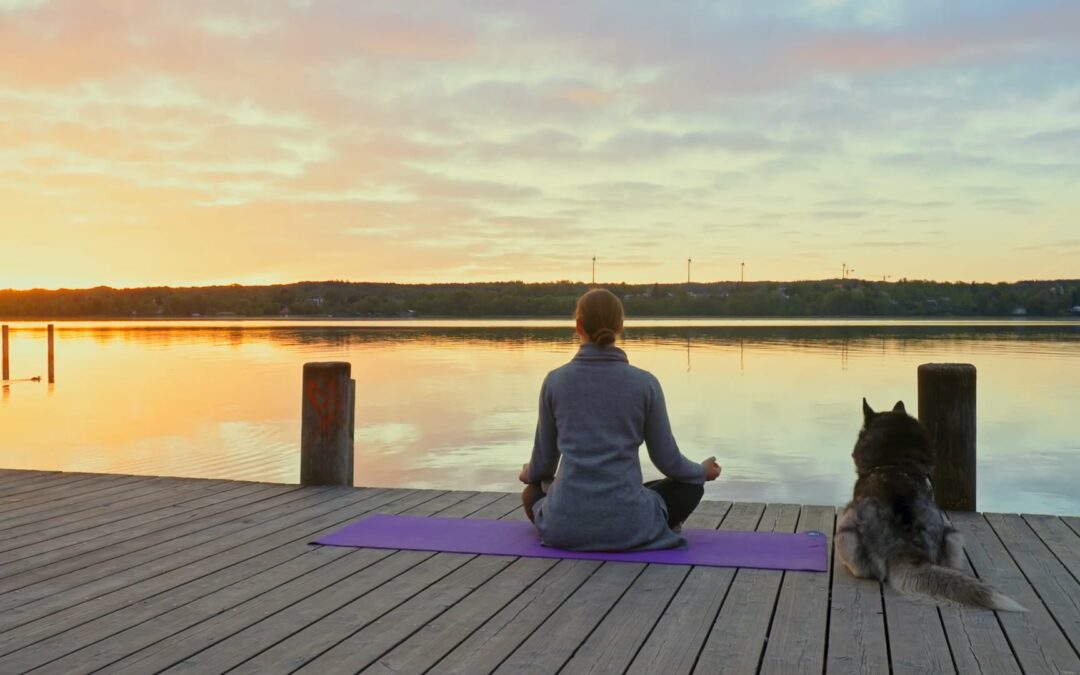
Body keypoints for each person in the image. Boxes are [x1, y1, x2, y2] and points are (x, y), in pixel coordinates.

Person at [519, 288, 722, 551]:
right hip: (632, 524)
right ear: (620, 326)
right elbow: (668, 461)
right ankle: (655, 524)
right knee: (689, 487)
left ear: (578, 326)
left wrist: (528, 473)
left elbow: (544, 465)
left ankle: (577, 522)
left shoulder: (555, 381)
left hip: (564, 525)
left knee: (531, 492)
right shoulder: (645, 383)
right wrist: (701, 472)